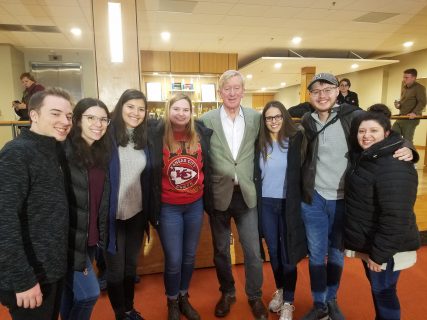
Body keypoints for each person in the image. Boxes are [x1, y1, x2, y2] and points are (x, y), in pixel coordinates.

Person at [300, 73, 415, 320]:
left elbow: (385, 133)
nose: (322, 95)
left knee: (337, 252)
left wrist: (409, 148)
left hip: (344, 200)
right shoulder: (306, 121)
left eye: (327, 90)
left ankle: (332, 299)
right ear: (310, 96)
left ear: (337, 92)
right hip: (315, 198)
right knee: (317, 253)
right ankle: (319, 303)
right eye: (316, 91)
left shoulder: (353, 117)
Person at [0, 87, 73, 320]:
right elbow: (4, 219)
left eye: (68, 116)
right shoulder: (17, 153)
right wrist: (23, 280)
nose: (64, 121)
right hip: (29, 277)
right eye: (55, 113)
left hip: (51, 269)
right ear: (33, 115)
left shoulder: (53, 149)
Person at [200, 70, 268, 320]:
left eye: (236, 88)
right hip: (219, 195)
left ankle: (254, 295)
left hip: (247, 195)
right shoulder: (205, 119)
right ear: (220, 92)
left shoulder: (255, 118)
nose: (232, 93)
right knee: (220, 250)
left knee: (252, 249)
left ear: (243, 90)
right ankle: (227, 292)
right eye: (227, 88)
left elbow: (275, 140)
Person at [345, 111, 420, 320]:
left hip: (387, 248)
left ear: (387, 133)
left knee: (384, 291)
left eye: (373, 131)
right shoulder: (369, 156)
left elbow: (395, 216)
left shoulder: (395, 163)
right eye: (362, 131)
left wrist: (379, 255)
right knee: (380, 290)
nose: (366, 135)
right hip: (373, 241)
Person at [148, 93, 213, 320]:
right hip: (169, 207)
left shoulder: (201, 133)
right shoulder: (156, 134)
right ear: (168, 110)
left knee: (189, 257)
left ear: (191, 113)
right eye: (176, 109)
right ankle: (172, 300)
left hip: (194, 205)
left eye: (185, 109)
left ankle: (184, 296)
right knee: (174, 259)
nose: (181, 114)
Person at [60, 98, 111, 320]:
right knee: (90, 293)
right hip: (68, 241)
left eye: (103, 119)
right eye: (91, 118)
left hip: (90, 238)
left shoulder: (100, 152)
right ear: (77, 120)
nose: (98, 124)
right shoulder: (63, 151)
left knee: (69, 294)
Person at [255, 101, 307, 320]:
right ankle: (281, 289)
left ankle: (289, 301)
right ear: (264, 121)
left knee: (287, 254)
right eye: (269, 118)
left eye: (277, 117)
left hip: (288, 204)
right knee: (274, 253)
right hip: (266, 203)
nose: (273, 121)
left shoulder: (297, 139)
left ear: (285, 117)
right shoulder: (260, 142)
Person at [106, 89, 151, 320]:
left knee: (131, 267)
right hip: (111, 216)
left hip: (136, 213)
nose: (135, 112)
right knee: (115, 269)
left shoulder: (144, 139)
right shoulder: (107, 134)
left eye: (141, 108)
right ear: (121, 106)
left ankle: (129, 308)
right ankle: (120, 314)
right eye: (130, 106)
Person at [392, 68, 426, 144]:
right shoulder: (404, 88)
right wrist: (398, 104)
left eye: (406, 77)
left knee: (407, 141)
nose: (404, 79)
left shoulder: (419, 88)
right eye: (404, 77)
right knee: (392, 137)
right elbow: (403, 102)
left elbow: (422, 102)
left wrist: (414, 112)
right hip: (401, 117)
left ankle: (411, 155)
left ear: (414, 78)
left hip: (411, 119)